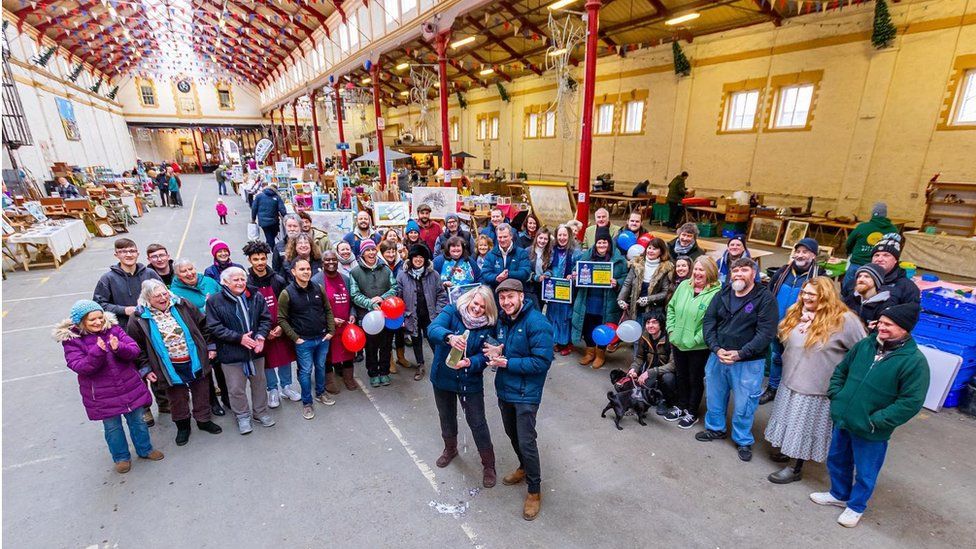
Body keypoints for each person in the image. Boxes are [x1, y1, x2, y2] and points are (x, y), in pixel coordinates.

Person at [812, 303, 929, 528]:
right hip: (844, 418)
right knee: (837, 459)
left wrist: (876, 420)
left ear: (904, 328)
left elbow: (911, 402)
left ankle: (856, 506)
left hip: (872, 428)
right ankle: (838, 494)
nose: (880, 327)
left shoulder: (914, 362)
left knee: (866, 471)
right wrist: (836, 395)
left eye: (888, 324)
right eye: (881, 322)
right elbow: (841, 371)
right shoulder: (865, 345)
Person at [764, 278, 866, 485]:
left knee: (803, 427)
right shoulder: (798, 312)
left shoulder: (844, 320)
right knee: (790, 421)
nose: (806, 297)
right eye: (804, 293)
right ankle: (788, 451)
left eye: (812, 294)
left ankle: (795, 467)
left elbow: (863, 350)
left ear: (826, 295)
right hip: (791, 379)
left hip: (815, 387)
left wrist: (846, 379)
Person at [56, 300, 163, 473]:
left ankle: (145, 449)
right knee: (112, 428)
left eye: (100, 317)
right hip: (101, 394)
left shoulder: (114, 329)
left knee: (138, 422)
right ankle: (121, 458)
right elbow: (80, 366)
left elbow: (134, 350)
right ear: (81, 322)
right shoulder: (72, 341)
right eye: (92, 320)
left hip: (128, 386)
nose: (98, 322)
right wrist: (97, 352)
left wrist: (118, 347)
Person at [483, 279, 554, 521]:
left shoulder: (537, 323)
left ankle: (534, 491)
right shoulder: (503, 320)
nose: (506, 302)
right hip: (506, 390)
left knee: (526, 441)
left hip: (526, 394)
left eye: (510, 297)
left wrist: (507, 362)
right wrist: (495, 349)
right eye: (502, 298)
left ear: (521, 296)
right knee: (512, 435)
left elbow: (542, 362)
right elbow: (499, 344)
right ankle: (523, 468)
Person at [697, 258, 779, 462]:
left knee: (745, 403)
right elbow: (709, 321)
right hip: (718, 357)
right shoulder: (723, 294)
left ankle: (743, 440)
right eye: (735, 270)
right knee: (714, 396)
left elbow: (766, 332)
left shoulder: (765, 298)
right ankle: (715, 428)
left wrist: (741, 353)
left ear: (754, 274)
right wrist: (716, 348)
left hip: (748, 362)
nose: (738, 274)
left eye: (744, 270)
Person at [126, 280, 223, 445]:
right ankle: (183, 426)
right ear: (148, 298)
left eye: (165, 293)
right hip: (167, 366)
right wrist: (146, 369)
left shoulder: (182, 304)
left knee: (201, 391)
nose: (164, 298)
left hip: (194, 358)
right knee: (177, 398)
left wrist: (210, 346)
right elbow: (137, 347)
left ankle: (203, 420)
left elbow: (203, 324)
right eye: (158, 296)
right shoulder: (138, 318)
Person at [427, 286, 499, 487]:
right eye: (475, 303)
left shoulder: (490, 325)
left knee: (477, 422)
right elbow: (432, 329)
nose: (477, 309)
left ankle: (488, 465)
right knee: (446, 415)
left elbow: (488, 355)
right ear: (469, 300)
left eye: (483, 307)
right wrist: (450, 337)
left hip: (470, 379)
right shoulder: (452, 310)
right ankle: (450, 449)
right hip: (443, 376)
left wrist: (470, 362)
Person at [92, 238, 165, 426]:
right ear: (116, 254)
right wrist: (124, 310)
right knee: (136, 373)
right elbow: (99, 304)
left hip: (151, 329)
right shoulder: (107, 279)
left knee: (156, 365)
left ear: (138, 253)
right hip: (124, 333)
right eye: (123, 251)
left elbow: (162, 294)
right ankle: (145, 409)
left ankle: (165, 402)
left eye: (132, 250)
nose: (128, 254)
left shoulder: (149, 273)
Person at [206, 267, 276, 435]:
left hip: (255, 351)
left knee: (259, 384)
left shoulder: (256, 296)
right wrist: (239, 338)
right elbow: (214, 327)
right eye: (235, 280)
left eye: (242, 279)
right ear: (225, 282)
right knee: (236, 388)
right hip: (231, 353)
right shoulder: (214, 301)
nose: (240, 283)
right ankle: (243, 416)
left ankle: (260, 412)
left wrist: (260, 336)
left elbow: (266, 319)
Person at [760, 238, 823, 405]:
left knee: (796, 360)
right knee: (776, 357)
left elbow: (824, 303)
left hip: (799, 327)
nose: (800, 255)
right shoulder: (782, 272)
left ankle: (791, 392)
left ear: (813, 255)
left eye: (805, 252)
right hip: (777, 324)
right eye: (798, 251)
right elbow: (768, 294)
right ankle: (773, 387)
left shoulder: (819, 277)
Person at [169, 257, 230, 417]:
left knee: (222, 368)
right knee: (206, 371)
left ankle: (226, 396)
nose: (189, 273)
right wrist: (206, 307)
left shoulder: (209, 282)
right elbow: (184, 316)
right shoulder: (175, 293)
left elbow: (225, 297)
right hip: (199, 336)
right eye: (184, 271)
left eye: (191, 269)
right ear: (177, 274)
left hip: (220, 332)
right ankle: (213, 402)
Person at [664, 256, 720, 428]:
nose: (697, 273)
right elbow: (671, 308)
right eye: (695, 269)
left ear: (709, 272)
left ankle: (692, 411)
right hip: (678, 341)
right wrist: (671, 330)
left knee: (694, 378)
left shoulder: (717, 293)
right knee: (681, 375)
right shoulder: (683, 286)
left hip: (699, 346)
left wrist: (695, 340)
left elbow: (714, 322)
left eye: (701, 269)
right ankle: (681, 405)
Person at [278, 258, 337, 420]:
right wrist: (296, 338)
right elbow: (281, 319)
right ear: (293, 272)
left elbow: (328, 310)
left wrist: (330, 330)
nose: (306, 272)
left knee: (320, 366)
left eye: (308, 269)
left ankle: (320, 393)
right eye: (302, 269)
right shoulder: (287, 293)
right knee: (305, 372)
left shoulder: (318, 288)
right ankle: (307, 403)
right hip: (303, 341)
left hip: (323, 337)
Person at [243, 241, 299, 407]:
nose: (260, 262)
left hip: (280, 326)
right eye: (255, 259)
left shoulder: (278, 280)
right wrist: (262, 332)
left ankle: (287, 386)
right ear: (249, 261)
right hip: (261, 331)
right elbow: (247, 311)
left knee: (285, 358)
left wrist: (282, 326)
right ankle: (272, 389)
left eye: (262, 258)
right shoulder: (247, 284)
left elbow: (287, 305)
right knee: (266, 361)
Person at [572, 227, 628, 369]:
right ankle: (589, 352)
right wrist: (575, 276)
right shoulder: (587, 256)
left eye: (604, 243)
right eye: (599, 243)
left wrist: (617, 283)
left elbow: (625, 279)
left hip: (607, 301)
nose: (602, 245)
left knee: (603, 326)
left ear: (609, 244)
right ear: (595, 244)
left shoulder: (619, 260)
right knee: (588, 326)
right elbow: (575, 270)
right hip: (588, 299)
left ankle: (600, 354)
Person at [349, 239, 398, 388]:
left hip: (387, 314)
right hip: (367, 317)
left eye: (372, 249)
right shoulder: (355, 272)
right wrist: (370, 303)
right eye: (367, 250)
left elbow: (394, 288)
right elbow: (354, 294)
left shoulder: (386, 269)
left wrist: (382, 298)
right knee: (370, 347)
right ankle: (373, 373)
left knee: (386, 344)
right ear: (362, 253)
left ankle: (384, 372)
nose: (371, 253)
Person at [397, 244, 448, 381]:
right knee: (416, 340)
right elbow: (398, 297)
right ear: (411, 258)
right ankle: (420, 364)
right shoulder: (402, 276)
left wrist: (438, 313)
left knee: (433, 339)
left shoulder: (434, 274)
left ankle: (441, 364)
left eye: (421, 257)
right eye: (415, 257)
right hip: (411, 315)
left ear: (425, 259)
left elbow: (441, 295)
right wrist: (401, 316)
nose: (418, 260)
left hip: (430, 314)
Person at [317, 250, 359, 392]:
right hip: (328, 327)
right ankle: (329, 381)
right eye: (327, 260)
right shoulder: (316, 281)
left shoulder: (345, 279)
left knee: (348, 352)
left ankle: (349, 378)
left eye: (333, 259)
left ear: (338, 261)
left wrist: (352, 314)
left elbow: (353, 301)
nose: (331, 262)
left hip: (346, 326)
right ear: (322, 263)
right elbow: (315, 308)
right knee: (327, 354)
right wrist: (331, 320)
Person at [842, 202, 898, 297]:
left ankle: (844, 304)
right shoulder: (893, 230)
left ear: (872, 213)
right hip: (878, 267)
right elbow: (896, 248)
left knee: (847, 289)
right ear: (885, 214)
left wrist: (849, 253)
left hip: (857, 263)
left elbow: (848, 243)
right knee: (873, 291)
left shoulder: (862, 227)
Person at [628, 312, 677, 416]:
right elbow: (639, 358)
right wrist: (633, 369)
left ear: (661, 324)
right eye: (648, 322)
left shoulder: (670, 339)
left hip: (666, 373)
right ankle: (653, 393)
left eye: (654, 322)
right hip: (651, 373)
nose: (650, 326)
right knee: (637, 391)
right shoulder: (644, 336)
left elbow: (673, 365)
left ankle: (665, 401)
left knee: (668, 378)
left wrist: (650, 372)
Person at [618, 237, 674, 326]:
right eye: (649, 248)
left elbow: (665, 292)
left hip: (653, 312)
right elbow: (627, 284)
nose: (651, 251)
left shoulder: (665, 268)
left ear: (661, 251)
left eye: (655, 249)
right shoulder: (637, 264)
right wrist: (621, 299)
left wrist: (648, 299)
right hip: (635, 310)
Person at [546, 224, 580, 356]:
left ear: (569, 236)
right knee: (553, 315)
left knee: (566, 317)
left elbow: (579, 269)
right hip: (553, 290)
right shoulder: (551, 250)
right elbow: (547, 266)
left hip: (568, 290)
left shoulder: (576, 252)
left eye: (564, 235)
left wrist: (573, 274)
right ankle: (558, 341)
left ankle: (567, 342)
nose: (562, 237)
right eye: (559, 235)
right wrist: (548, 274)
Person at [869, 234, 920, 310]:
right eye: (876, 255)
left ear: (896, 260)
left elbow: (910, 314)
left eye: (886, 255)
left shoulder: (907, 287)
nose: (879, 259)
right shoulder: (860, 279)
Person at [480, 223, 531, 293]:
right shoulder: (491, 254)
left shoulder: (521, 253)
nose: (502, 240)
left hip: (516, 291)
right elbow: (485, 274)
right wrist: (496, 277)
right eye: (500, 237)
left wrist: (508, 274)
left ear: (511, 236)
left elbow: (525, 273)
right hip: (496, 291)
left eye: (505, 237)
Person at [843, 264, 889, 329]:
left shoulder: (885, 306)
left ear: (876, 281)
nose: (861, 279)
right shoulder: (849, 299)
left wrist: (869, 330)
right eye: (859, 276)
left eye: (867, 276)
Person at [251, 183, 287, 247]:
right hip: (274, 221)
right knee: (272, 235)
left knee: (268, 235)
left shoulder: (259, 196)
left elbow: (254, 208)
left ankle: (269, 246)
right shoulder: (277, 197)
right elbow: (282, 209)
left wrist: (253, 219)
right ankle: (272, 249)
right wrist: (286, 217)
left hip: (263, 221)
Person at [525, 228, 552, 305]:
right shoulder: (528, 251)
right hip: (530, 287)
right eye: (540, 238)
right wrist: (535, 277)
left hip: (543, 286)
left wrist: (547, 274)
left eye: (545, 239)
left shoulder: (550, 253)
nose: (542, 241)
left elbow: (551, 268)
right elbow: (525, 268)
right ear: (536, 238)